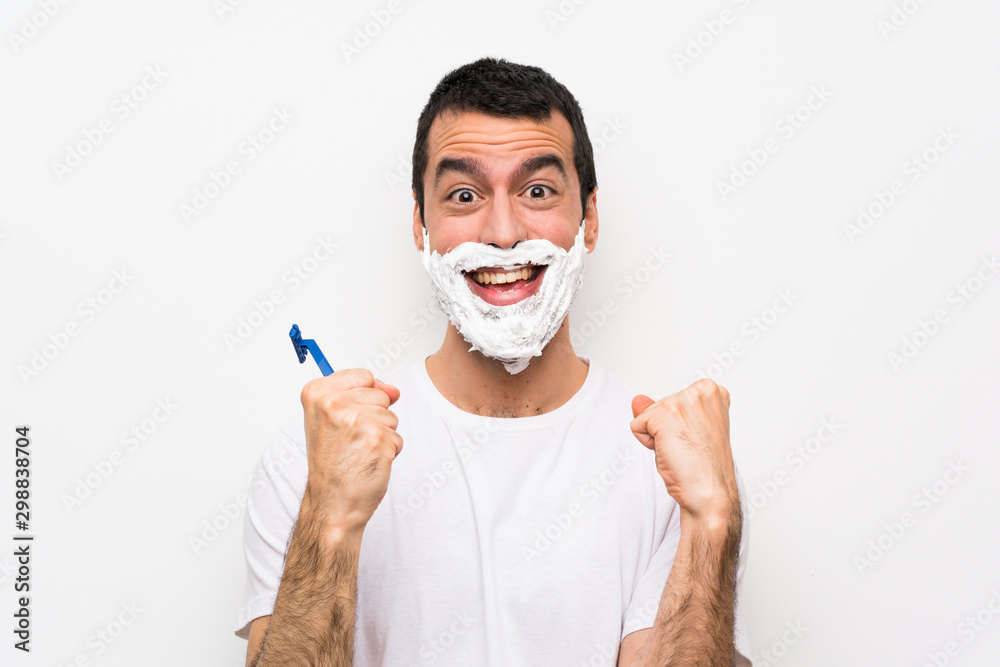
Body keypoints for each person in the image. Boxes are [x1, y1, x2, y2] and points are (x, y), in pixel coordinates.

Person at [236, 57, 753, 666]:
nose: (503, 232)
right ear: (420, 225)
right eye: (463, 194)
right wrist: (330, 520)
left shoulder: (672, 468)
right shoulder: (313, 457)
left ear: (587, 219)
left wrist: (713, 523)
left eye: (537, 191)